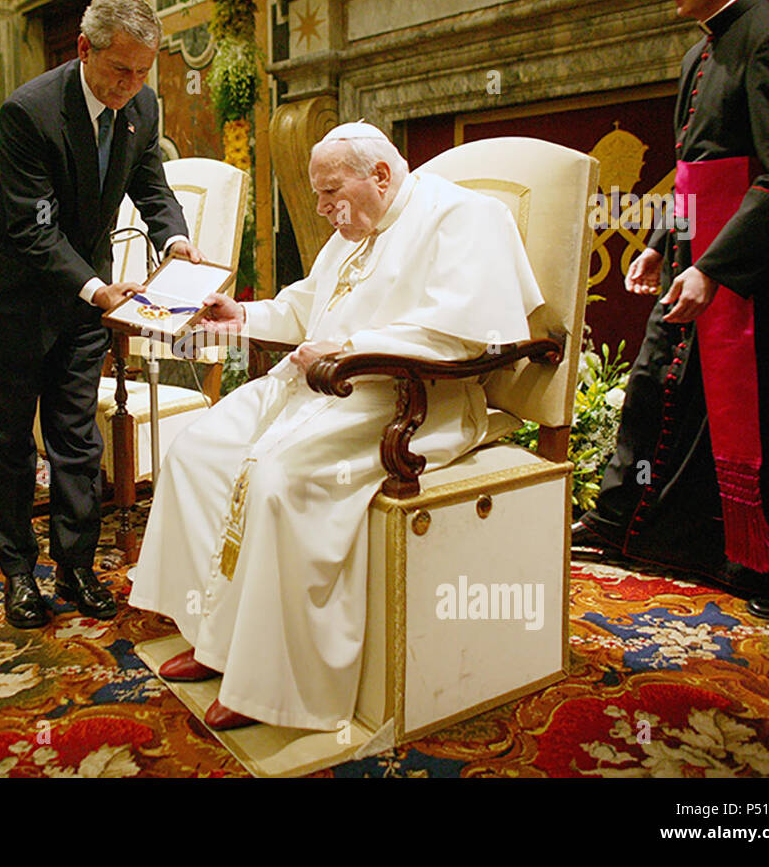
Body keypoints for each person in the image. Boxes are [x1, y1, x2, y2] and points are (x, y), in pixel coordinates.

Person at [128, 122, 543, 731]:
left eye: (329, 192)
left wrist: (347, 345)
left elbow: (460, 335)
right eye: (319, 194)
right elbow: (306, 305)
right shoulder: (355, 225)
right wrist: (242, 313)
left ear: (379, 175)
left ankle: (271, 681)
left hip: (412, 394)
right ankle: (215, 634)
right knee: (197, 448)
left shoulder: (462, 216)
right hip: (324, 383)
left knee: (277, 475)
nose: (322, 209)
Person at [573, 0, 769, 627]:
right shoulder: (699, 55)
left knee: (765, 413)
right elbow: (693, 170)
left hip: (755, 272)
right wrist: (665, 244)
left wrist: (718, 269)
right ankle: (632, 530)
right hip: (696, 253)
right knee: (659, 389)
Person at [0, 0, 199, 629]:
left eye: (143, 71)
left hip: (79, 307)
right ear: (83, 49)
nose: (131, 84)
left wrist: (176, 240)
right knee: (9, 444)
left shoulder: (141, 106)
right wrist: (99, 290)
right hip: (11, 301)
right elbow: (34, 230)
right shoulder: (29, 113)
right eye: (120, 69)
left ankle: (75, 567)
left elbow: (152, 184)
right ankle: (18, 576)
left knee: (76, 441)